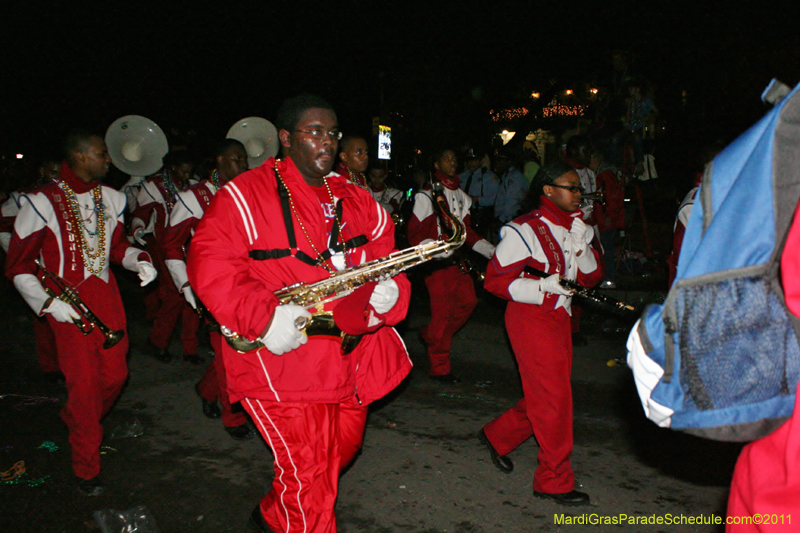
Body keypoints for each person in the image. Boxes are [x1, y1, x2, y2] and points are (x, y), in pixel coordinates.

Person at [186, 94, 412, 533]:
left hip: (349, 357)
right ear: (286, 138)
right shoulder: (245, 194)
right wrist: (264, 317)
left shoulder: (355, 197)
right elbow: (210, 262)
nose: (327, 142)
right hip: (281, 359)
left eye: (332, 134)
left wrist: (389, 291)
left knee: (338, 454)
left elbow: (388, 257)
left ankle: (273, 515)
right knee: (310, 479)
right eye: (315, 132)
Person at [4, 130, 157, 496]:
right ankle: (86, 467)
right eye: (101, 153)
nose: (109, 159)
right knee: (85, 386)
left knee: (116, 375)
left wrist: (139, 261)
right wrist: (47, 303)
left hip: (106, 296)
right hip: (65, 302)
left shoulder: (115, 198)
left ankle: (79, 420)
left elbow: (117, 247)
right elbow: (18, 265)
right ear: (79, 156)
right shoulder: (41, 201)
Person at [478, 161, 603, 507]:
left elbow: (590, 278)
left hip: (558, 318)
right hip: (530, 317)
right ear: (548, 190)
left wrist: (581, 246)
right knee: (555, 400)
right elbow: (495, 281)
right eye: (571, 187)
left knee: (549, 394)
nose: (579, 193)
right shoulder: (524, 229)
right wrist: (541, 286)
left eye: (579, 188)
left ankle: (498, 435)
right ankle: (552, 479)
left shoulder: (577, 226)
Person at [162, 139, 254, 439]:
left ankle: (206, 388)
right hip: (211, 287)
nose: (242, 165)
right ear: (219, 161)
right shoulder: (193, 197)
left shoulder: (251, 192)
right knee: (230, 356)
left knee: (238, 352)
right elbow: (172, 244)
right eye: (236, 159)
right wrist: (187, 285)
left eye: (244, 160)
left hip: (248, 285)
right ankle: (234, 417)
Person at [408, 148, 496, 382]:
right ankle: (440, 367)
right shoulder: (426, 195)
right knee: (443, 314)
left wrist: (492, 252)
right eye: (446, 158)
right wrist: (434, 248)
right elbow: (414, 234)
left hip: (457, 261)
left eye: (454, 157)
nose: (452, 161)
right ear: (436, 165)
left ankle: (431, 336)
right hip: (436, 265)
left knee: (468, 303)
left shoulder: (462, 195)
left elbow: (467, 233)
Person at [130, 150, 202, 364]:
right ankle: (158, 341)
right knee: (174, 296)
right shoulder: (154, 186)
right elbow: (140, 214)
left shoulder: (193, 185)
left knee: (193, 295)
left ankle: (190, 348)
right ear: (171, 168)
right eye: (182, 170)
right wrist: (137, 230)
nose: (186, 174)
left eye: (189, 170)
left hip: (191, 246)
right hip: (165, 247)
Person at [0, 156, 62, 382]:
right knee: (44, 316)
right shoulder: (22, 197)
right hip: (35, 267)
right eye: (53, 171)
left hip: (61, 265)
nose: (57, 177)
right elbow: (3, 229)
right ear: (41, 169)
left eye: (61, 172)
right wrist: (20, 256)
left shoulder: (68, 196)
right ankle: (51, 366)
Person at [588, 149, 625, 289]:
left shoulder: (606, 176)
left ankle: (609, 278)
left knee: (606, 249)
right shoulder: (602, 174)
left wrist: (609, 216)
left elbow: (612, 198)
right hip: (600, 219)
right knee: (603, 248)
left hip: (604, 220)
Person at [459, 148, 499, 238]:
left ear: (481, 161)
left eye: (474, 160)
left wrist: (476, 199)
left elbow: (495, 199)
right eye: (469, 160)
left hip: (481, 216)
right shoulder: (462, 177)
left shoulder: (489, 177)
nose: (471, 163)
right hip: (463, 214)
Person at [493, 148, 529, 225]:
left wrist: (501, 220)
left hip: (510, 219)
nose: (497, 163)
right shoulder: (507, 175)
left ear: (509, 162)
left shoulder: (514, 177)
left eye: (500, 161)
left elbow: (512, 201)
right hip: (505, 218)